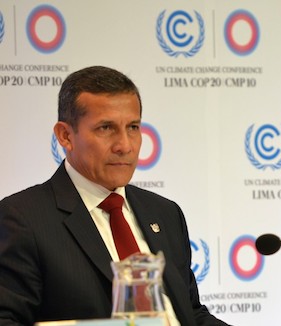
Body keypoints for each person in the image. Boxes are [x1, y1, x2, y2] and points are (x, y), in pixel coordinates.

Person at [0, 66, 229, 326]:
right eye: (106, 128)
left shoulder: (165, 213)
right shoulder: (24, 219)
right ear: (65, 135)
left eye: (132, 127)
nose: (125, 145)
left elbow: (190, 313)